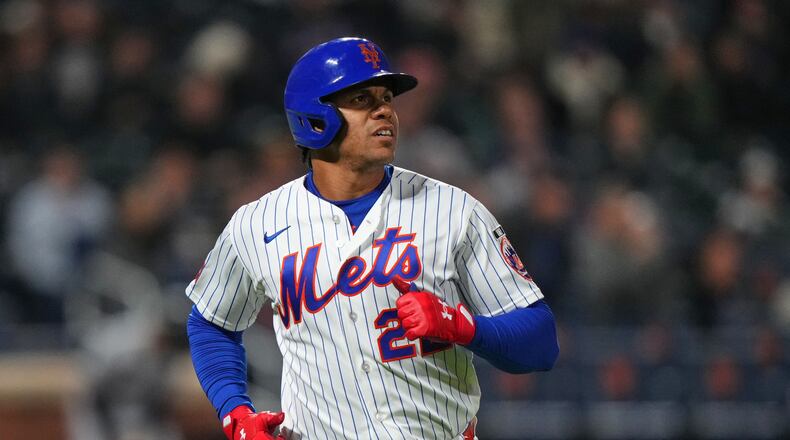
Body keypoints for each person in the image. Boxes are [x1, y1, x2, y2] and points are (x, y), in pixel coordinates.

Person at [186, 37, 559, 440]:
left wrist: (464, 327)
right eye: (363, 99)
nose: (386, 110)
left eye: (387, 97)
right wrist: (235, 411)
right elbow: (212, 324)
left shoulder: (453, 211)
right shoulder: (256, 224)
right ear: (315, 117)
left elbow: (540, 341)